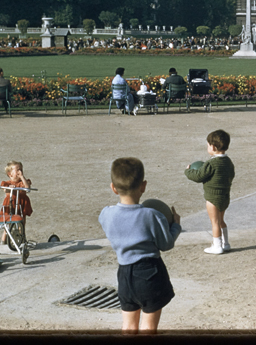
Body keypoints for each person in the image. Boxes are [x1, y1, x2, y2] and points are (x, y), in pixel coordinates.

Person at [98, 158, 181, 334]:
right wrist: (175, 226)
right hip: (150, 274)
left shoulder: (106, 214)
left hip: (124, 276)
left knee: (128, 327)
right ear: (143, 186)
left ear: (113, 188)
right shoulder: (152, 215)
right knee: (148, 328)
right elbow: (166, 244)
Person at [185, 130, 236, 254]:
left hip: (212, 198)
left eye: (208, 145)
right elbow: (231, 175)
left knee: (215, 222)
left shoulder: (211, 163)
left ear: (213, 147)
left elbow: (199, 176)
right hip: (224, 196)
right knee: (221, 220)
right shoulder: (228, 161)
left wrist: (188, 171)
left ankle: (217, 246)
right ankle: (226, 243)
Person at [0, 161, 32, 245]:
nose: (20, 172)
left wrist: (22, 177)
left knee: (22, 222)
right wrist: (9, 188)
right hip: (11, 204)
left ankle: (22, 238)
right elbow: (5, 189)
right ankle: (3, 241)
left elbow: (27, 188)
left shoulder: (23, 182)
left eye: (21, 170)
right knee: (8, 223)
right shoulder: (7, 183)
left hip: (21, 204)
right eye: (17, 170)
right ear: (10, 174)